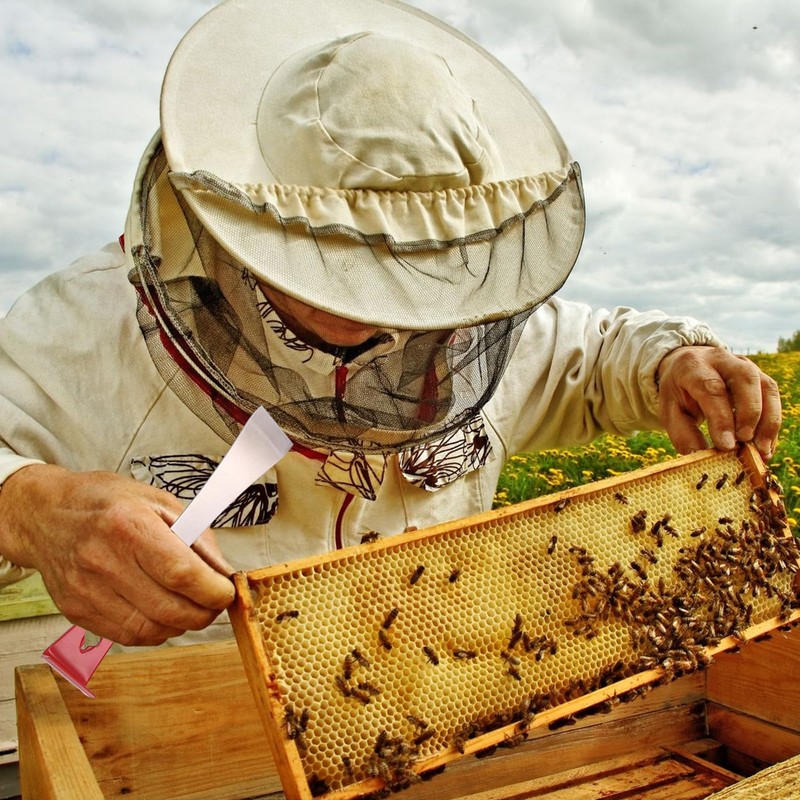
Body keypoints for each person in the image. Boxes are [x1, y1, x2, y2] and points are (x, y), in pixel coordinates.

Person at [0, 0, 781, 650]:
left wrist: (676, 362)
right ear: (239, 211)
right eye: (329, 260)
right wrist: (31, 509)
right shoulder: (79, 325)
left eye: (402, 269)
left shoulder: (472, 326)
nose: (368, 307)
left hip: (431, 711)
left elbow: (598, 352)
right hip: (187, 737)